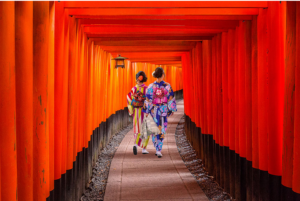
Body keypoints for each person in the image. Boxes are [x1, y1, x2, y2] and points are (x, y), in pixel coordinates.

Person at [143, 67, 177, 158]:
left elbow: (147, 99)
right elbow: (170, 98)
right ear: (163, 75)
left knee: (155, 129)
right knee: (162, 129)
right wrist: (171, 109)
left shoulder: (151, 86)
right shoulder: (167, 86)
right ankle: (159, 149)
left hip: (154, 110)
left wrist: (147, 111)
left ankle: (156, 147)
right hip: (163, 110)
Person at [127, 71, 150, 155]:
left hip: (136, 111)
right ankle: (144, 148)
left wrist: (131, 109)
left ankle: (136, 145)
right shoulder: (147, 89)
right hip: (144, 110)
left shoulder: (134, 89)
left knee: (137, 128)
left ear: (137, 79)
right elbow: (149, 100)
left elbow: (129, 99)